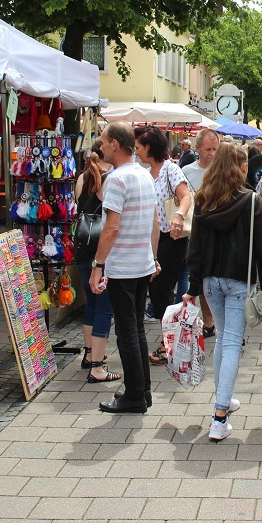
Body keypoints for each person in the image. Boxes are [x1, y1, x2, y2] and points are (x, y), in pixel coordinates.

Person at [182, 143, 262, 440]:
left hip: (210, 280)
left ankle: (224, 397)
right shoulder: (252, 201)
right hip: (237, 280)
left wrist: (192, 286)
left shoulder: (203, 199)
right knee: (232, 343)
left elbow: (195, 247)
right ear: (242, 167)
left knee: (222, 339)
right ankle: (219, 416)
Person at [89, 122, 158, 413]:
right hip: (140, 264)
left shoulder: (117, 179)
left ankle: (134, 396)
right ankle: (142, 391)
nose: (100, 146)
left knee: (127, 332)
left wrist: (97, 265)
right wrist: (153, 257)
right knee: (137, 330)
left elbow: (111, 228)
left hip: (123, 267)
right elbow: (154, 221)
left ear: (115, 144)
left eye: (103, 141)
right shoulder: (144, 175)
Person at [134, 126, 193, 365]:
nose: (136, 152)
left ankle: (170, 343)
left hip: (172, 238)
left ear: (149, 147)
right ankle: (173, 339)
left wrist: (178, 214)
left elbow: (186, 195)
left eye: (138, 147)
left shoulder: (171, 168)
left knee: (160, 289)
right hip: (154, 238)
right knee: (160, 290)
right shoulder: (148, 172)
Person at [74, 141, 119, 383]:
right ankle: (98, 365)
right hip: (100, 250)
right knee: (103, 305)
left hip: (82, 247)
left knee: (90, 303)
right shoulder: (109, 179)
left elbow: (80, 207)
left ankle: (89, 353)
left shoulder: (83, 177)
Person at [181, 128, 221, 339]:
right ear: (197, 149)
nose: (212, 154)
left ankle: (217, 320)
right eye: (207, 149)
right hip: (195, 233)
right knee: (202, 278)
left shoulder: (223, 171)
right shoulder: (187, 171)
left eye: (215, 149)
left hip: (219, 232)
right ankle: (208, 322)